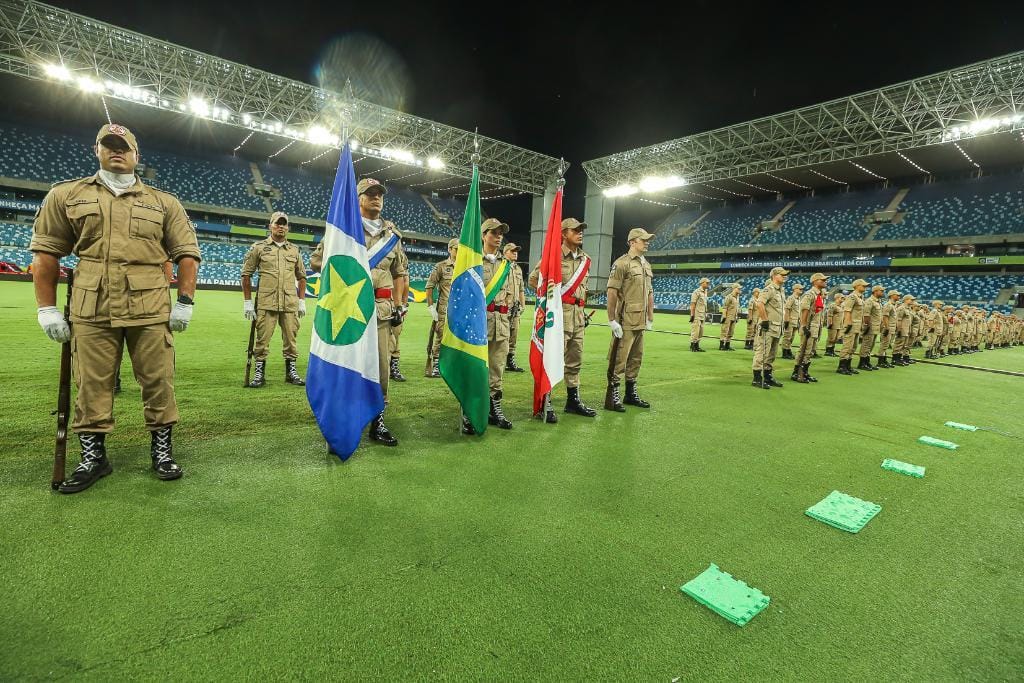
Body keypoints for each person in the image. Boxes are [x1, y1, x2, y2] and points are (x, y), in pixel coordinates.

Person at [30, 123, 201, 493]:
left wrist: (185, 301)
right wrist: (46, 308)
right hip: (92, 308)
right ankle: (94, 457)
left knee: (158, 381)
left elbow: (187, 253)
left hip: (152, 308)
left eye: (123, 146)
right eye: (108, 145)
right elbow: (46, 252)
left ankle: (162, 450)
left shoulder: (164, 202)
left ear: (137, 155)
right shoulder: (66, 195)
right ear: (97, 151)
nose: (116, 151)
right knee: (91, 384)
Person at [310, 177, 408, 446]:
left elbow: (400, 272)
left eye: (380, 194)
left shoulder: (392, 237)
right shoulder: (343, 231)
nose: (376, 197)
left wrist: (400, 304)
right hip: (349, 313)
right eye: (370, 193)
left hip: (381, 312)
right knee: (346, 365)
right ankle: (341, 422)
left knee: (380, 368)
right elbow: (318, 262)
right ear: (358, 199)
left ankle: (378, 422)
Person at [528, 218, 596, 420]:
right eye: (575, 230)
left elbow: (582, 290)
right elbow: (534, 279)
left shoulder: (585, 260)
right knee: (552, 359)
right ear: (564, 234)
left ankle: (572, 401)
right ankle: (545, 402)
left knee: (575, 361)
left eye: (581, 230)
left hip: (577, 317)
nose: (580, 233)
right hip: (558, 317)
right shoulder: (553, 256)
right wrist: (552, 302)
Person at [241, 211, 307, 387]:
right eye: (278, 223)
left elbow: (302, 277)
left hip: (289, 303)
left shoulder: (294, 250)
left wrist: (302, 301)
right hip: (266, 302)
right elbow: (246, 275)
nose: (281, 227)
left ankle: (291, 372)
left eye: (284, 224)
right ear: (270, 226)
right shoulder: (259, 248)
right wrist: (247, 302)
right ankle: (259, 373)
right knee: (262, 340)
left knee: (291, 341)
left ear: (288, 227)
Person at [605, 228, 654, 410]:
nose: (647, 242)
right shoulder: (621, 263)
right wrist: (612, 320)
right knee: (619, 358)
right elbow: (611, 292)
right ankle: (613, 395)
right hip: (625, 320)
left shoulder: (646, 265)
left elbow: (649, 292)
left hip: (640, 320)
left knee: (636, 358)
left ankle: (630, 393)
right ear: (633, 242)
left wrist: (650, 317)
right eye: (644, 239)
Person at [477, 217, 515, 430]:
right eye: (493, 232)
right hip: (480, 323)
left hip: (500, 324)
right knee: (476, 366)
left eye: (500, 233)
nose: (498, 236)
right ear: (483, 236)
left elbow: (509, 294)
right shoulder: (473, 260)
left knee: (497, 367)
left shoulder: (506, 265)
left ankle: (494, 408)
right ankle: (473, 408)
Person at [424, 238, 457, 378]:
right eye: (456, 249)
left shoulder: (466, 268)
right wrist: (431, 307)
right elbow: (429, 286)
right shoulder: (441, 266)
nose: (459, 252)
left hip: (460, 310)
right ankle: (437, 364)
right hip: (444, 308)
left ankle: (451, 364)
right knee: (440, 337)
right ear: (449, 249)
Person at [751, 267, 788, 389]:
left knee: (772, 354)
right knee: (763, 352)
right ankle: (757, 378)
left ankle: (768, 376)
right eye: (782, 274)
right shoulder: (769, 289)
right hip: (768, 327)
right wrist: (765, 320)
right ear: (774, 275)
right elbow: (759, 303)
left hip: (777, 327)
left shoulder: (781, 290)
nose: (785, 276)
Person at [791, 273, 828, 383]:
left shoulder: (819, 295)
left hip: (815, 326)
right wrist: (804, 326)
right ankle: (797, 373)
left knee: (810, 351)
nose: (825, 281)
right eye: (822, 280)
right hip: (809, 326)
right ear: (815, 281)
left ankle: (805, 372)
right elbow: (805, 310)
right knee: (804, 350)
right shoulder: (810, 294)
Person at [504, 242, 527, 373]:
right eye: (512, 251)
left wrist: (523, 305)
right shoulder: (501, 266)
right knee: (502, 336)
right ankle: (499, 360)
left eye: (516, 251)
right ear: (505, 252)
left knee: (514, 334)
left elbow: (521, 289)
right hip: (504, 307)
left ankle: (510, 360)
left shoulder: (518, 269)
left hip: (515, 308)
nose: (515, 253)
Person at [837, 279, 867, 375]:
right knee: (847, 346)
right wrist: (848, 324)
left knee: (853, 347)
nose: (865, 287)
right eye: (863, 285)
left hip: (857, 325)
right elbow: (847, 310)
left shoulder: (860, 297)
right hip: (851, 324)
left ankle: (848, 366)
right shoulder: (852, 297)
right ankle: (842, 366)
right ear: (857, 286)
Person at [857, 284, 884, 371]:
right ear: (875, 291)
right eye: (881, 291)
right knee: (866, 344)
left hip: (875, 327)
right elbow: (866, 315)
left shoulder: (878, 301)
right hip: (870, 326)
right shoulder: (870, 301)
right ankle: (862, 363)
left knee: (871, 345)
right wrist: (867, 326)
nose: (882, 292)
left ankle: (867, 361)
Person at [876, 289, 900, 368]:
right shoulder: (888, 305)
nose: (899, 296)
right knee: (884, 345)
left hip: (891, 328)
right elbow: (885, 317)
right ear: (892, 295)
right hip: (888, 327)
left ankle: (884, 360)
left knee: (886, 345)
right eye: (897, 295)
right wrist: (886, 328)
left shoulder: (893, 305)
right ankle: (880, 361)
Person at [892, 294, 915, 366]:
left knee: (903, 345)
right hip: (902, 329)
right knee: (898, 344)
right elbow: (898, 320)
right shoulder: (901, 308)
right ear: (906, 300)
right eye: (911, 300)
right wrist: (898, 330)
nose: (913, 301)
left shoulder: (908, 308)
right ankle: (895, 359)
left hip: (906, 329)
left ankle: (899, 358)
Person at [689, 277, 709, 352]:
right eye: (706, 283)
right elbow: (693, 304)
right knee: (695, 331)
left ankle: (697, 346)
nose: (708, 284)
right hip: (697, 315)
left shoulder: (705, 292)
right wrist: (692, 315)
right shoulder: (696, 292)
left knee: (701, 332)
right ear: (702, 283)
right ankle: (693, 346)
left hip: (702, 315)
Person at [719, 284, 741, 351]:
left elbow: (736, 308)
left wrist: (736, 316)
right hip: (728, 316)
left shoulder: (737, 297)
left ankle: (727, 345)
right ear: (734, 288)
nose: (740, 290)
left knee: (731, 332)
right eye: (738, 288)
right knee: (724, 331)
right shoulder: (729, 297)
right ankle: (721, 345)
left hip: (734, 317)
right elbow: (725, 307)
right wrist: (724, 316)